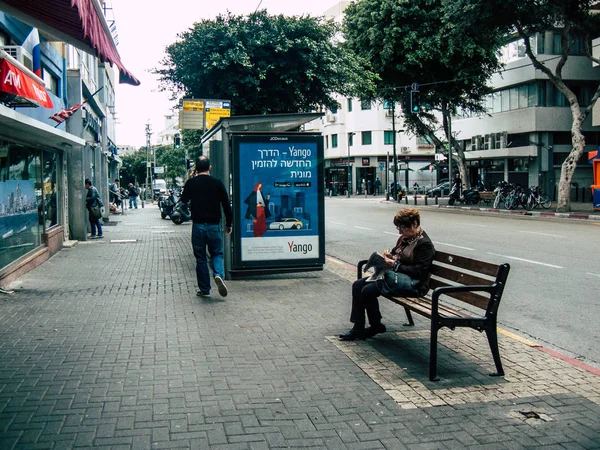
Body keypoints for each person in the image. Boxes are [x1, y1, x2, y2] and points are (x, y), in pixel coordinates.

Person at [339, 208, 435, 341]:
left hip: (413, 284)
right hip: (396, 278)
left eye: (402, 227)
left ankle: (376, 325)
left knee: (367, 290)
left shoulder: (424, 244)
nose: (400, 232)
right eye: (398, 228)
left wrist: (395, 265)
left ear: (414, 224)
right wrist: (390, 256)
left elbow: (420, 271)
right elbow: (397, 253)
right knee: (357, 285)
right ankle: (358, 327)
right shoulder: (405, 238)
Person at [180, 156, 233, 298]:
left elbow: (183, 201)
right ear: (210, 168)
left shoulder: (191, 183)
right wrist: (229, 223)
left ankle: (204, 289)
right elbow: (226, 205)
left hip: (198, 226)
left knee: (201, 258)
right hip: (214, 226)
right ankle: (218, 274)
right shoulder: (217, 183)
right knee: (217, 253)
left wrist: (190, 179)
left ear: (196, 168)